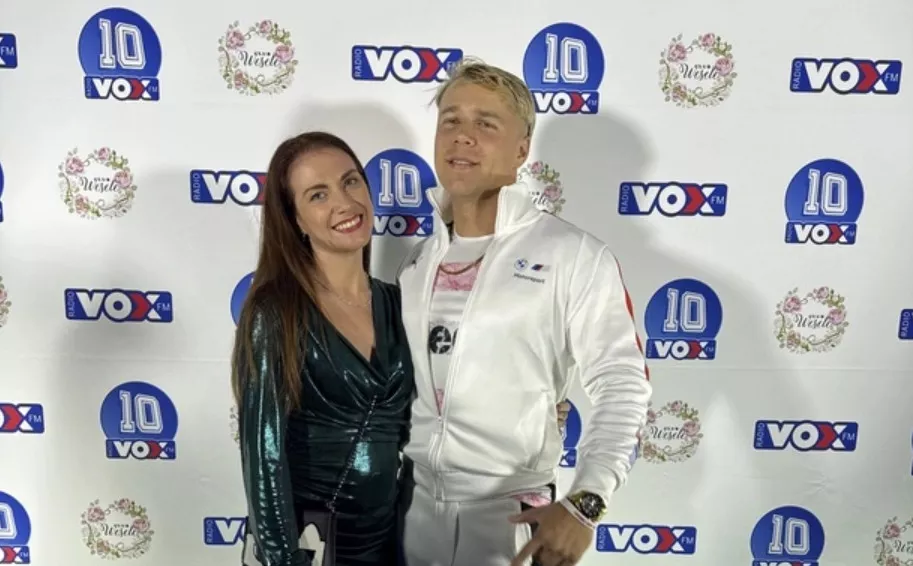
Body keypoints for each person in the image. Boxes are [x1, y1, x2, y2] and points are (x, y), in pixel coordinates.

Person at [231, 131, 572, 566]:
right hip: (309, 541)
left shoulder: (400, 302)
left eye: (350, 181)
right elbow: (263, 455)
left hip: (392, 535)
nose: (344, 202)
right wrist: (285, 559)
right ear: (295, 219)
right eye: (318, 195)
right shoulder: (276, 311)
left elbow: (440, 405)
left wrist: (526, 410)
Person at [397, 58, 653, 566]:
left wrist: (586, 503)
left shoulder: (574, 255)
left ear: (521, 150)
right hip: (409, 514)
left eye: (486, 123)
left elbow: (623, 384)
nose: (462, 135)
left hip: (510, 521)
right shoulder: (417, 261)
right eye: (451, 119)